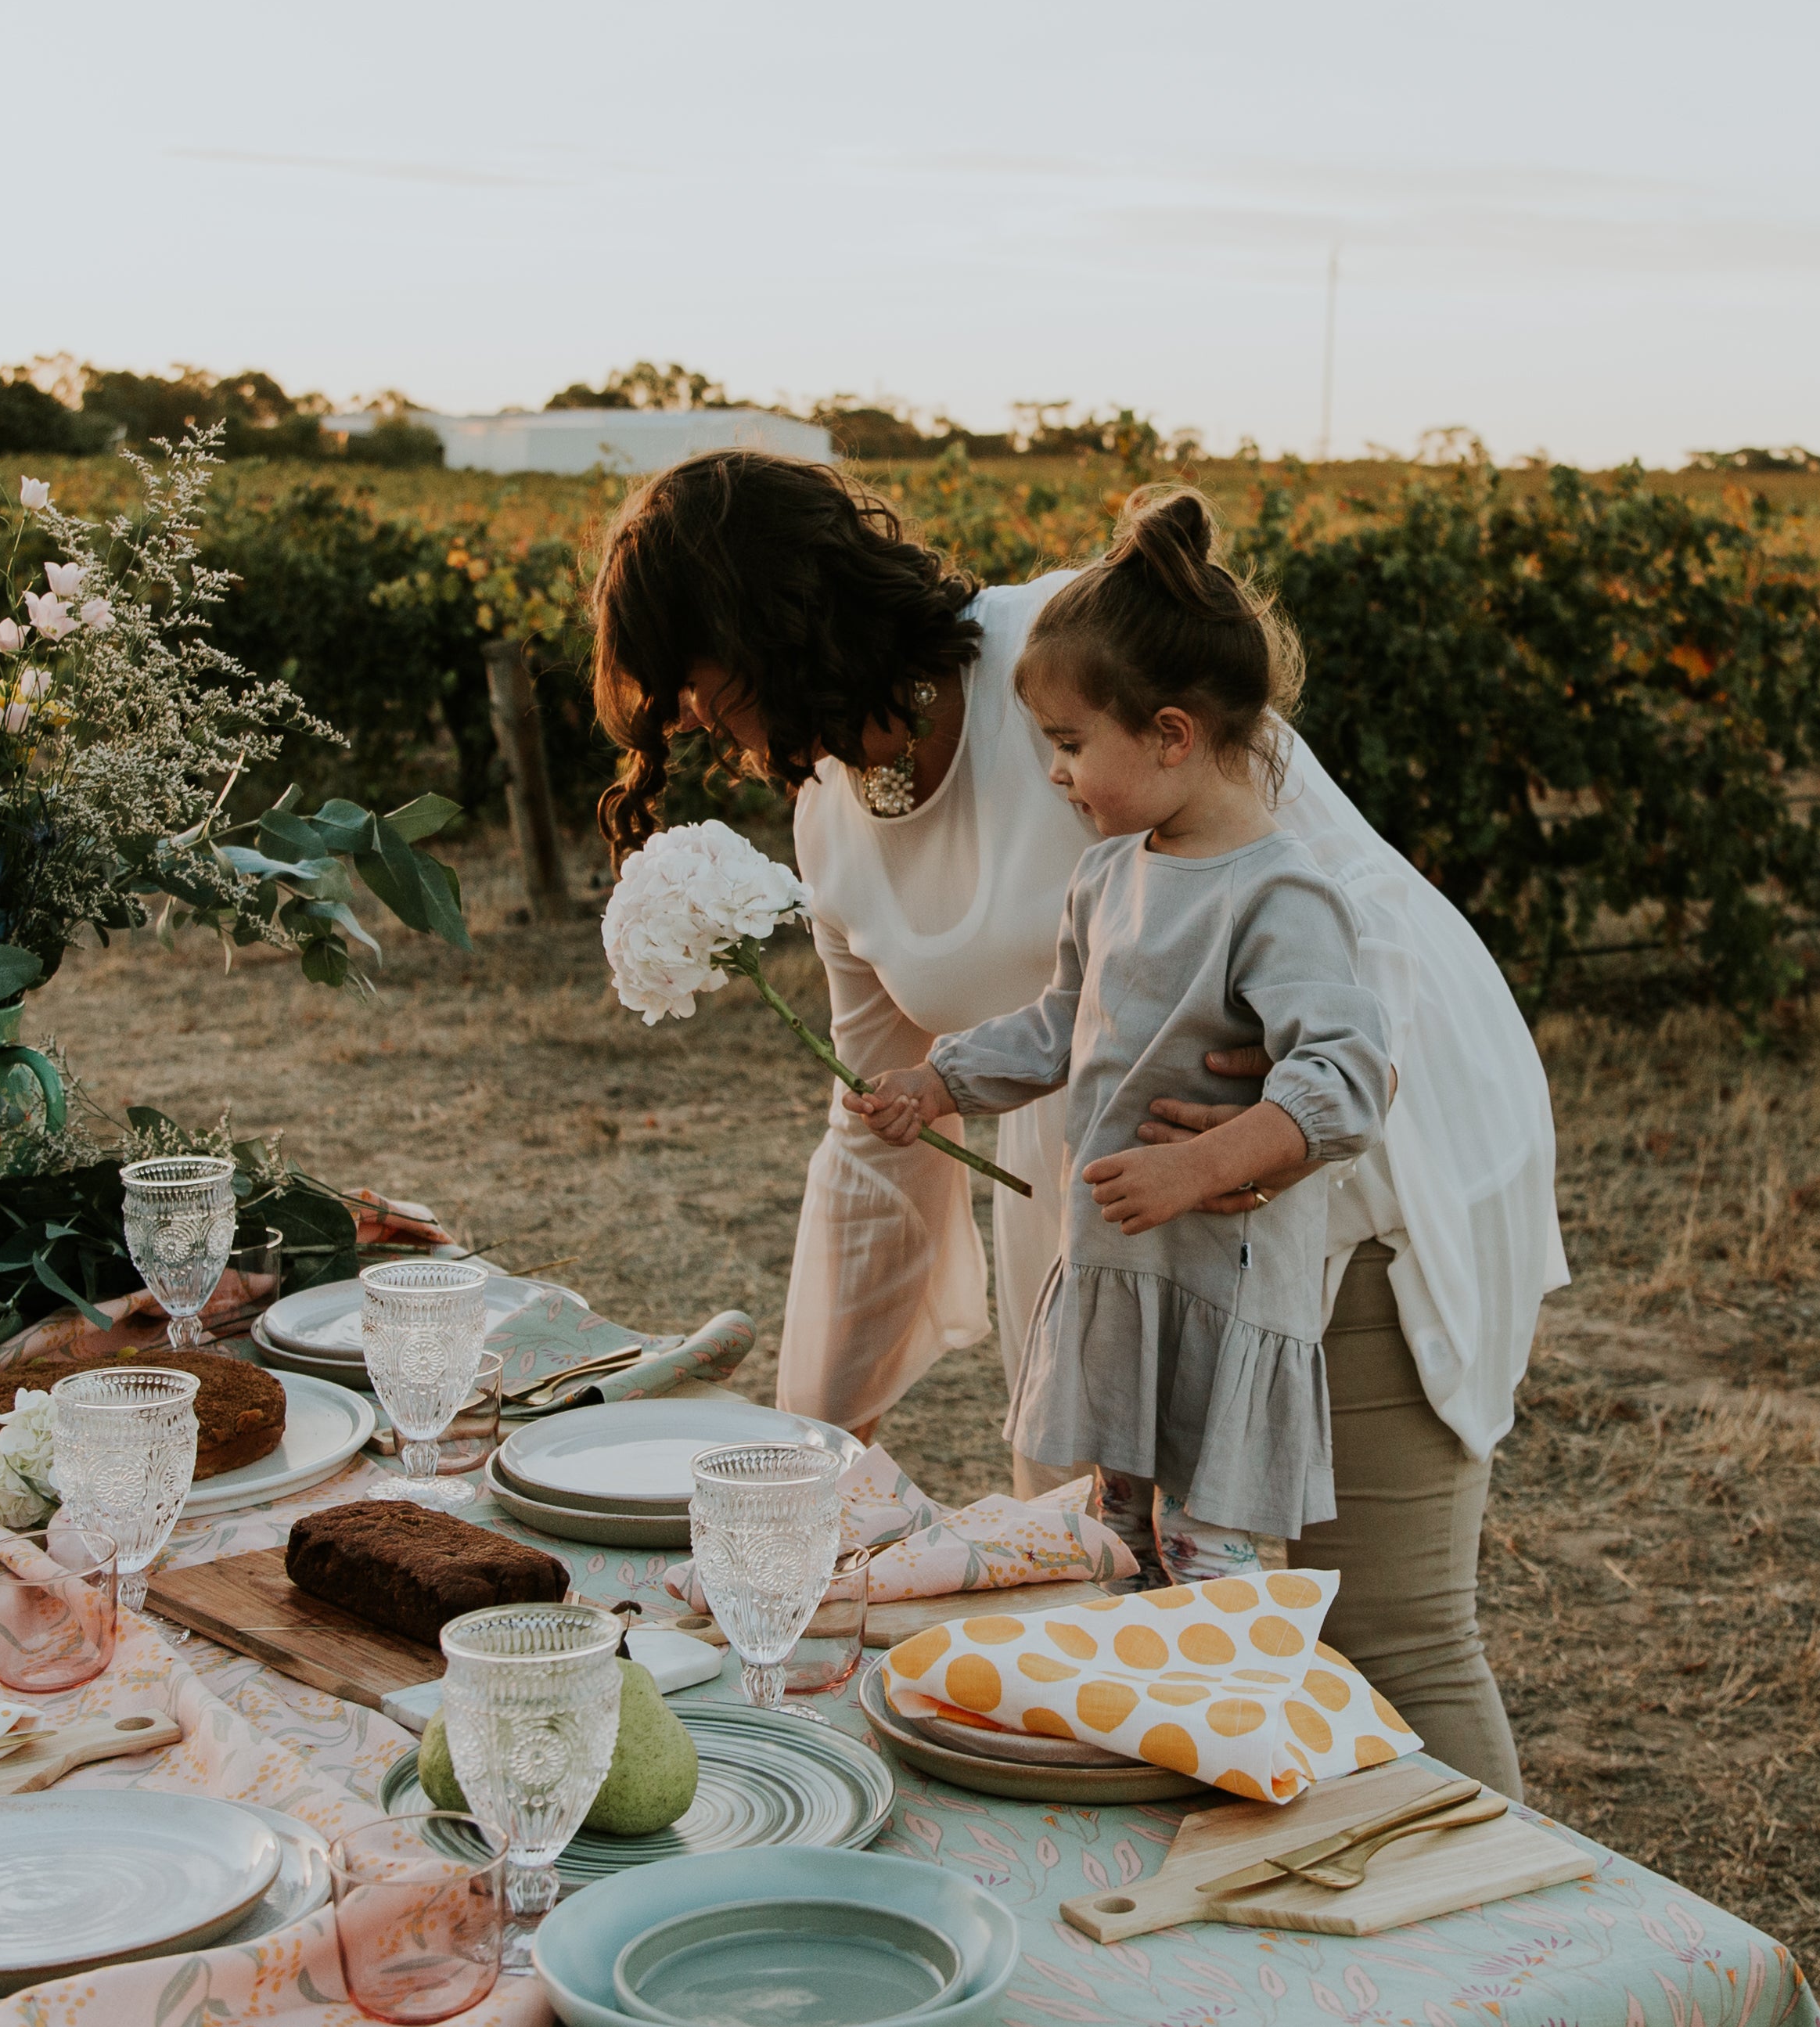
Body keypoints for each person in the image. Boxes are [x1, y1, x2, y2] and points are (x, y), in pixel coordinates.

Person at [591, 452, 1563, 1795]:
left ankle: (1515, 1975)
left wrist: (1262, 1128)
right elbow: (876, 1136)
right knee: (1127, 1613)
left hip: (1349, 1159)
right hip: (1119, 1221)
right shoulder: (831, 825)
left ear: (783, 626)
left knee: (1384, 1632)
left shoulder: (1072, 655)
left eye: (715, 690)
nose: (712, 729)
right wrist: (808, 1449)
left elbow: (1349, 913)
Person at [850, 491, 1388, 1590]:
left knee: (1210, 1556)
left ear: (1171, 735)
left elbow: (1343, 1078)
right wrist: (940, 1079)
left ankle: (1225, 1722)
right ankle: (1138, 1715)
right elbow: (1060, 1023)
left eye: (1067, 743)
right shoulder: (1105, 878)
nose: (1053, 772)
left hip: (1216, 1281)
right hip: (1117, 1267)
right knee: (1119, 1538)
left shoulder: (1280, 896)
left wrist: (1205, 1164)